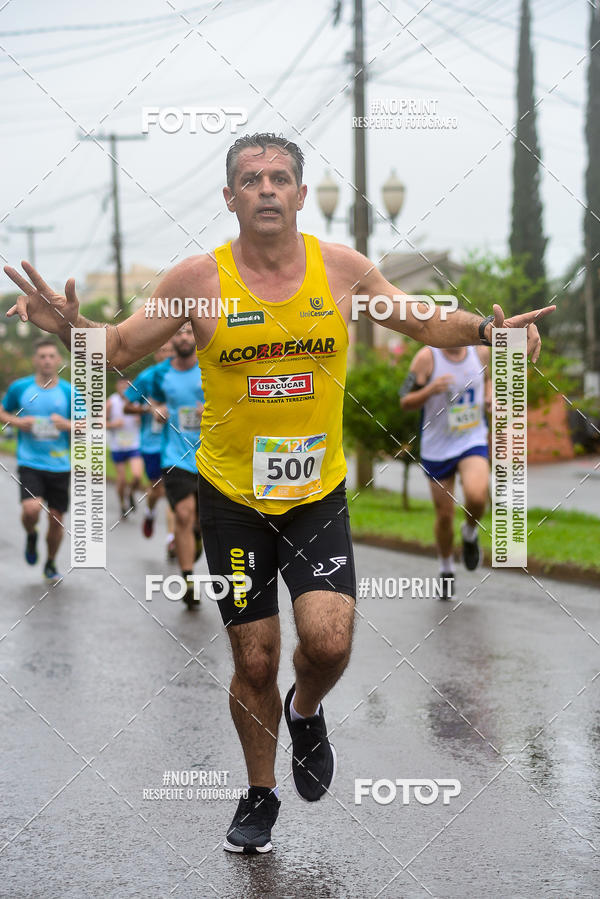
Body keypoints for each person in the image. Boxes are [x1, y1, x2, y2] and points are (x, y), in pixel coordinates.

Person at [4, 132, 554, 855]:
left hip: (316, 495)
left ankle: (307, 708)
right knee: (254, 658)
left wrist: (488, 330)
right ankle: (260, 794)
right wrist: (72, 327)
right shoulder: (197, 279)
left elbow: (422, 318)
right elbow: (121, 346)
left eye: (281, 177)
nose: (267, 187)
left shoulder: (342, 269)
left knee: (327, 642)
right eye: (251, 178)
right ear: (229, 197)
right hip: (230, 498)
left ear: (299, 193)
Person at [400, 344, 492, 598]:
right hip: (438, 446)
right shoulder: (426, 358)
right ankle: (446, 568)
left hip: (471, 438)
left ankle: (470, 532)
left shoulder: (480, 353)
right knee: (444, 515)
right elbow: (404, 400)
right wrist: (430, 390)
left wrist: (489, 396)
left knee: (476, 496)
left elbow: (488, 379)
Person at [0, 338, 73, 582]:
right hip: (30, 462)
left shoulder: (69, 392)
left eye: (51, 356)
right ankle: (31, 534)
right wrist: (19, 422)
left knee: (56, 518)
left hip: (60, 464)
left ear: (58, 360)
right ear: (35, 360)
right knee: (31, 510)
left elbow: (90, 424)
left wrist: (68, 425)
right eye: (42, 356)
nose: (47, 360)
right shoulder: (21, 388)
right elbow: (2, 411)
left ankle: (50, 562)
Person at [145, 323, 204, 606]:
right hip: (175, 455)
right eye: (178, 333)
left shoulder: (210, 367)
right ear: (171, 339)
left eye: (189, 332)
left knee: (200, 520)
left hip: (212, 456)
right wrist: (157, 410)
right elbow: (153, 401)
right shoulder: (161, 373)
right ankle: (188, 579)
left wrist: (213, 408)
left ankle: (197, 536)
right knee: (183, 513)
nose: (183, 337)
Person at [123, 340, 174, 543]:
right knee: (158, 490)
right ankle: (151, 513)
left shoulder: (186, 375)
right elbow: (127, 406)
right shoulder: (147, 377)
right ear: (156, 354)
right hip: (152, 443)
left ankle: (172, 539)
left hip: (178, 444)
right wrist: (147, 409)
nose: (168, 355)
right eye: (163, 350)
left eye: (171, 350)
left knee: (175, 492)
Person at [106, 377, 143, 518]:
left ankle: (131, 493)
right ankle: (122, 504)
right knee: (121, 480)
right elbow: (99, 423)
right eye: (121, 385)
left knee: (137, 476)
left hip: (134, 445)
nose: (124, 388)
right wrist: (113, 424)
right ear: (117, 386)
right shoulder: (111, 402)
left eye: (127, 386)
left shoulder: (137, 401)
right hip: (118, 447)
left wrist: (140, 419)